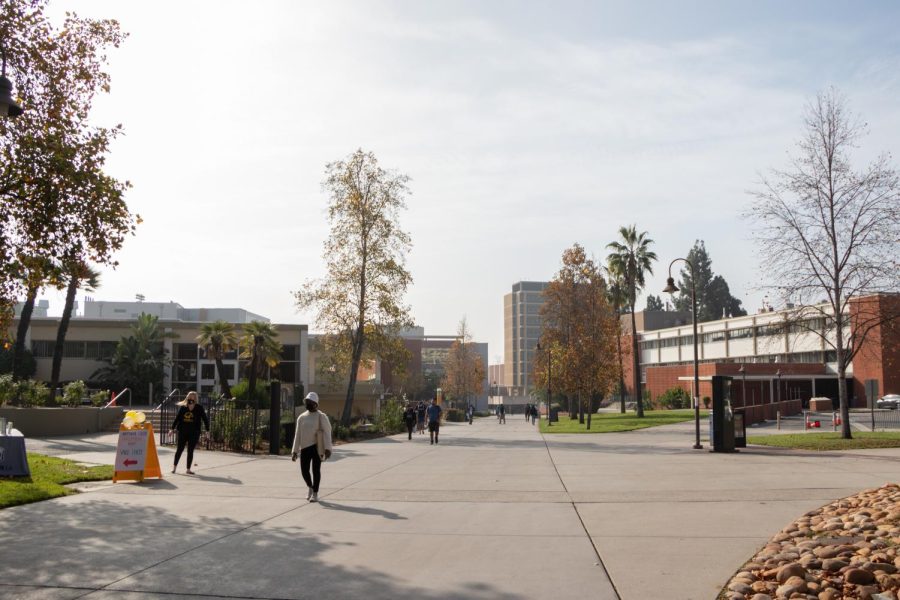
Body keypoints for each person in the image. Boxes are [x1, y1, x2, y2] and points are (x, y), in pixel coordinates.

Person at [291, 392, 333, 502]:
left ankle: (315, 493)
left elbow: (327, 432)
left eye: (309, 402)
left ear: (315, 404)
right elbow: (297, 434)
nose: (307, 404)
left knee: (316, 470)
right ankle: (310, 486)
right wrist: (294, 451)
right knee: (304, 471)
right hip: (304, 448)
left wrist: (328, 448)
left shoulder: (321, 416)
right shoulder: (301, 417)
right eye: (306, 402)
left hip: (316, 447)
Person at [170, 391, 209, 475]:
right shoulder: (183, 407)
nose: (191, 399)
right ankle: (174, 468)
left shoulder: (199, 408)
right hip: (183, 431)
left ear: (195, 399)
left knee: (190, 451)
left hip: (194, 432)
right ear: (187, 398)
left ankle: (188, 469)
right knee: (179, 449)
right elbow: (177, 419)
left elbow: (205, 419)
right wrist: (172, 429)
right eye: (189, 397)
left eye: (193, 397)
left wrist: (207, 431)